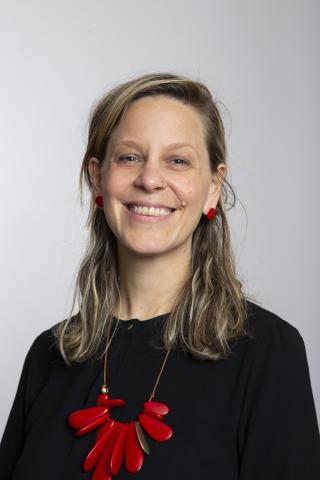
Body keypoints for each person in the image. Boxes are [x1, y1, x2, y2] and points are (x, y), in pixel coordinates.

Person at [0, 72, 319, 480]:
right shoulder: (49, 355)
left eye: (178, 161)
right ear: (98, 177)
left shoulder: (269, 353)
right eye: (130, 157)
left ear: (212, 188)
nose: (150, 180)